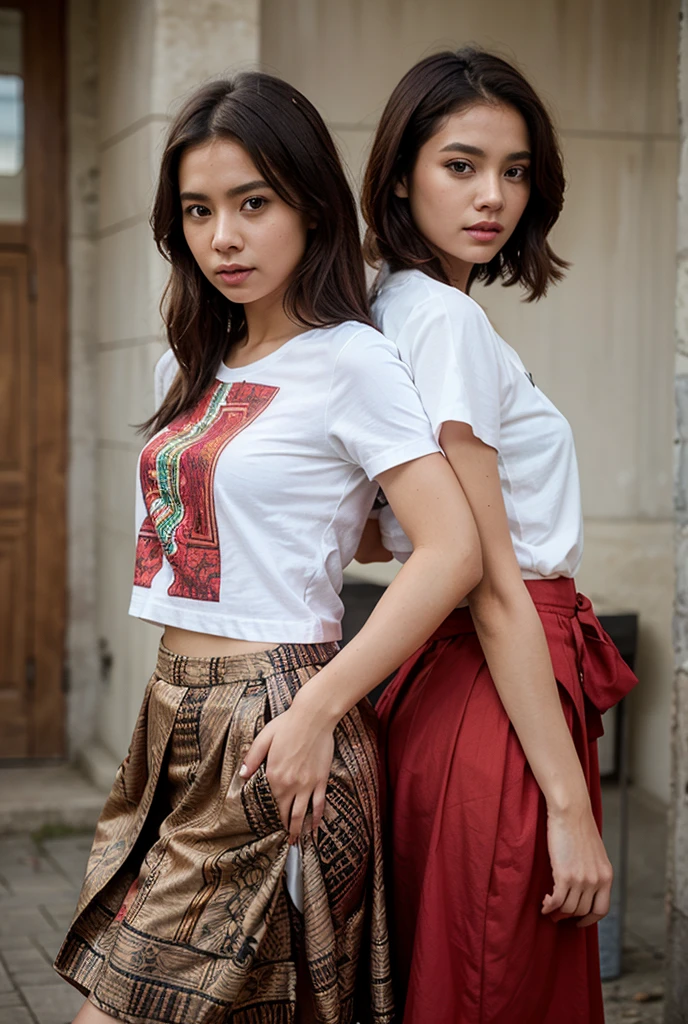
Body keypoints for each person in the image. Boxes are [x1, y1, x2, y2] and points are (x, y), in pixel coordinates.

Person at [53, 72, 484, 1024]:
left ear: (311, 202)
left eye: (254, 202)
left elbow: (452, 550)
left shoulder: (350, 359)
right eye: (199, 211)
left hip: (275, 719)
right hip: (175, 712)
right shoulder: (191, 361)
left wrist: (318, 711)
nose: (224, 238)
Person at [359, 48, 638, 1024]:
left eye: (514, 170)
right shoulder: (443, 322)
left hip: (458, 686)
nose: (494, 197)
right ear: (400, 174)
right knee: (499, 987)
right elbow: (486, 579)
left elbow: (378, 524)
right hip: (498, 683)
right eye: (461, 164)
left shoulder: (389, 307)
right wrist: (569, 806)